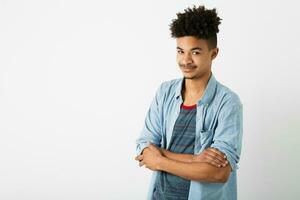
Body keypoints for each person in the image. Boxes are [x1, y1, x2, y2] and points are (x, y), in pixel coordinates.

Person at [135, 5, 243, 200]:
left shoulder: (228, 103)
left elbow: (218, 173)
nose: (185, 60)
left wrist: (159, 160)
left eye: (195, 52)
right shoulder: (164, 92)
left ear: (214, 53)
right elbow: (144, 147)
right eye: (180, 51)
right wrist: (195, 159)